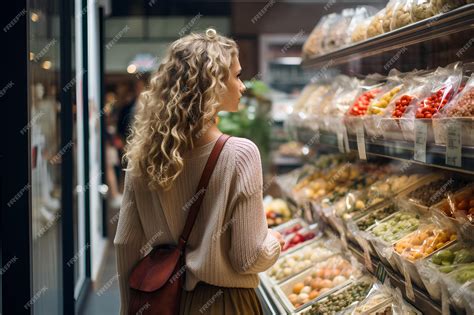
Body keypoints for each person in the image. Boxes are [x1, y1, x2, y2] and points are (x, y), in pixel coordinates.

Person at [114, 28, 285, 315]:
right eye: (237, 75)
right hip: (225, 304)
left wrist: (127, 307)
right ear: (213, 84)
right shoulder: (240, 154)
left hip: (160, 301)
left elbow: (125, 242)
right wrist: (276, 241)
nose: (242, 86)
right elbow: (248, 257)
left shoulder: (143, 157)